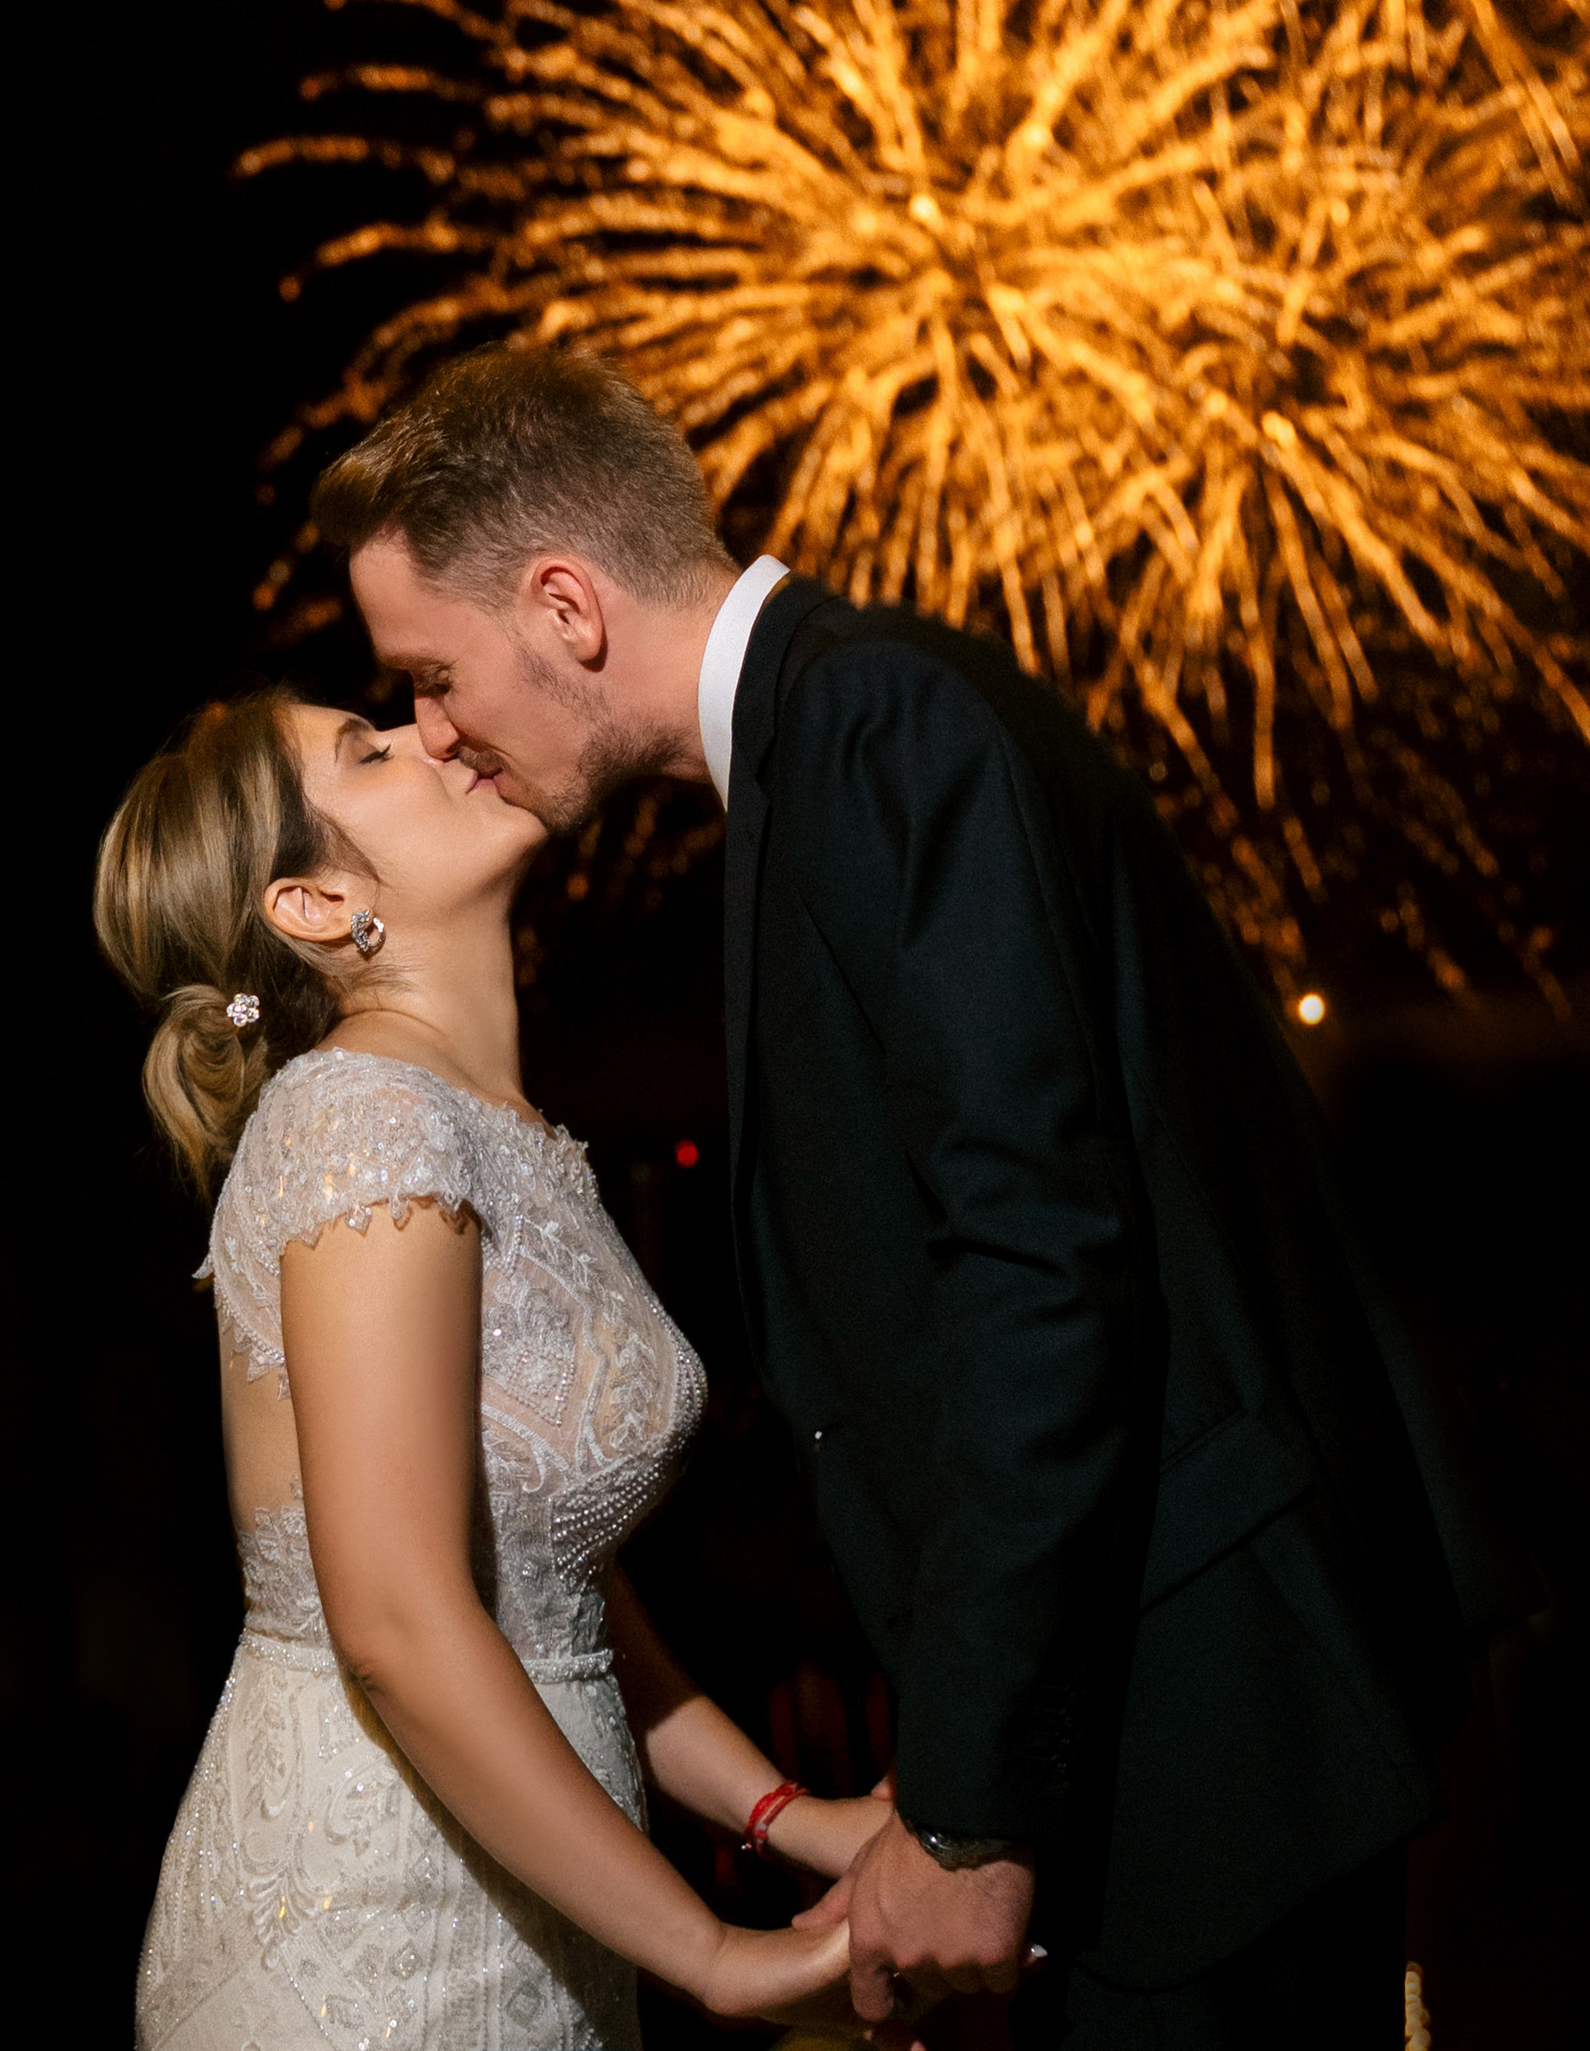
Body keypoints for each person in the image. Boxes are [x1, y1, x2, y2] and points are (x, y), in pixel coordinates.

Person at [315, 343, 1528, 2050]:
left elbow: (1041, 1266)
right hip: (1155, 1724)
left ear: (567, 606)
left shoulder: (877, 725)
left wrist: (966, 1805)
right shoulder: (839, 735)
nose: (437, 729)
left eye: (431, 674)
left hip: (1190, 1742)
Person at [96, 684, 896, 2050]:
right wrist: (711, 1949)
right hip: (370, 1938)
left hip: (538, 1919)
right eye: (371, 748)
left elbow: (535, 1573)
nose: (438, 732)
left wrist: (791, 1816)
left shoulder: (477, 1121)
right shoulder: (366, 1119)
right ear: (310, 904)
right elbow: (403, 1622)